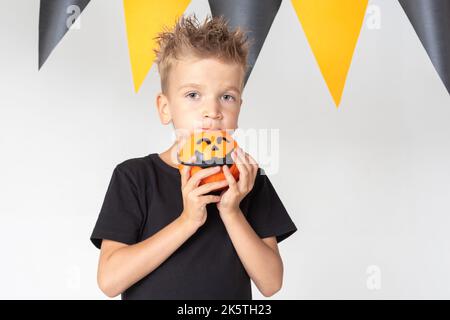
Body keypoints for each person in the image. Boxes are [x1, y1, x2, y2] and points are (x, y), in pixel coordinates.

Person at [90, 13, 298, 300]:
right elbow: (110, 281)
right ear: (165, 108)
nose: (212, 111)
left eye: (227, 97)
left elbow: (271, 283)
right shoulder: (134, 177)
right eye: (193, 95)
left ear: (239, 108)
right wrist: (188, 221)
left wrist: (231, 211)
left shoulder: (250, 180)